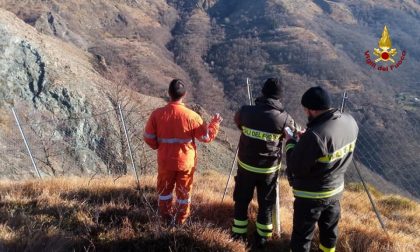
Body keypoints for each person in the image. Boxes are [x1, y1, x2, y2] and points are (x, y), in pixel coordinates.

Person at [284, 86, 359, 252]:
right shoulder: (350, 121)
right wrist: (307, 142)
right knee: (329, 233)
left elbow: (296, 166)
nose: (305, 113)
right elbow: (328, 149)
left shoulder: (315, 136)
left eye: (305, 110)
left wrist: (291, 142)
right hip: (335, 191)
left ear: (312, 110)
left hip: (311, 196)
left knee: (302, 237)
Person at [144, 79, 223, 225]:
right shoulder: (192, 116)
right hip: (185, 163)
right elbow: (206, 137)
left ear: (169, 93)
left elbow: (148, 137)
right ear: (184, 95)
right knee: (184, 193)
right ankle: (180, 221)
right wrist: (214, 124)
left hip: (165, 161)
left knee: (164, 192)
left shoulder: (157, 114)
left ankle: (165, 219)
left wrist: (158, 147)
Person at [231, 78, 295, 247]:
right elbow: (291, 136)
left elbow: (238, 122)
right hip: (268, 170)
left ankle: (238, 235)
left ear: (263, 92)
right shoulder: (285, 119)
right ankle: (262, 239)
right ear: (279, 97)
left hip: (245, 166)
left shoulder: (245, 111)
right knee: (266, 204)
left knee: (242, 200)